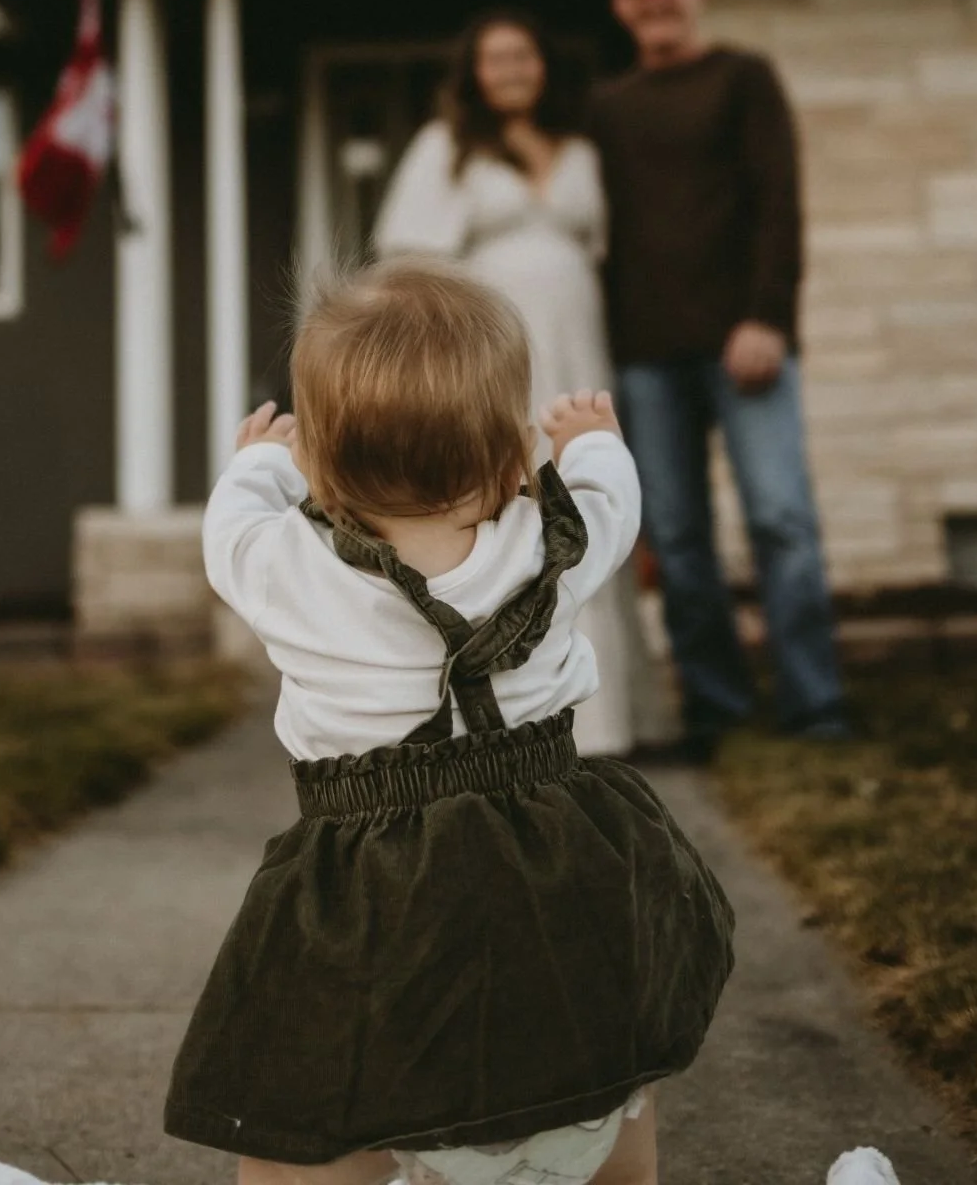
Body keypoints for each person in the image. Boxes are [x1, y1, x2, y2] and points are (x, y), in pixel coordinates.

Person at [164, 260, 735, 1185]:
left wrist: (262, 461)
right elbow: (614, 505)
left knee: (317, 1089)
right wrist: (591, 442)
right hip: (563, 863)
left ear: (324, 469)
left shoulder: (287, 567)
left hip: (376, 887)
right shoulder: (551, 543)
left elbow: (227, 530)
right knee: (604, 1056)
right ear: (513, 459)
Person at [372, 10, 677, 755]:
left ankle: (611, 719)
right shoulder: (446, 148)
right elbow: (406, 259)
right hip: (502, 358)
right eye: (496, 58)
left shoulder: (578, 147)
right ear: (474, 71)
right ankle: (522, 716)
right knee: (522, 504)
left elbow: (606, 248)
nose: (512, 70)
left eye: (524, 56)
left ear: (544, 67)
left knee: (589, 494)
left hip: (582, 346)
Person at [589, 0, 849, 760]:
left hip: (747, 344)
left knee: (780, 519)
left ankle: (815, 705)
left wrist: (768, 314)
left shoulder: (743, 78)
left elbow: (780, 200)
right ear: (620, 6)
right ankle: (716, 707)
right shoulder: (607, 107)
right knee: (677, 534)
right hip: (645, 355)